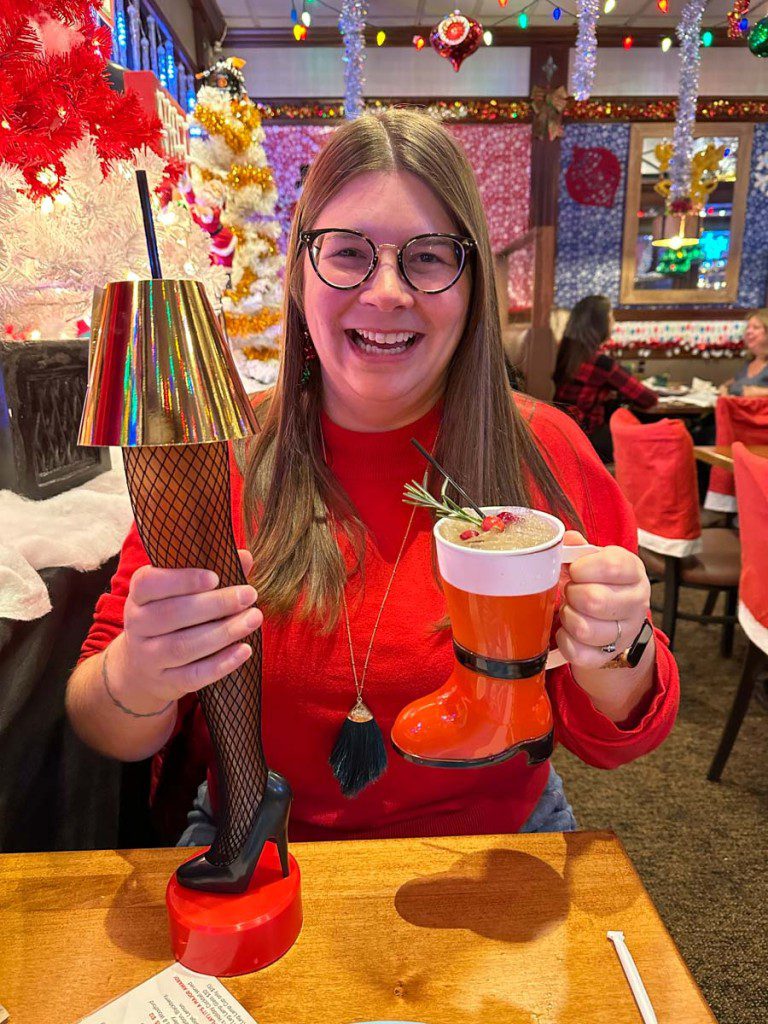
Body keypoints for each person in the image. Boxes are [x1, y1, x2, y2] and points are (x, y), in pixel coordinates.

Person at [66, 111, 679, 853]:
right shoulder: (219, 456)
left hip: (501, 847)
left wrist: (618, 643)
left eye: (428, 258)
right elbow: (102, 724)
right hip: (256, 843)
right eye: (348, 252)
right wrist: (141, 672)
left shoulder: (545, 450)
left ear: (474, 282)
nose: (387, 292)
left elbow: (622, 738)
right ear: (298, 274)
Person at [553, 295, 658, 463]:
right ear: (600, 324)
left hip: (560, 433)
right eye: (611, 317)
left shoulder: (560, 351)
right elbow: (648, 399)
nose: (613, 323)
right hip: (588, 440)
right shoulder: (600, 363)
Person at [720, 310, 768, 397]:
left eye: (755, 328)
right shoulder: (750, 362)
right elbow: (734, 383)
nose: (748, 331)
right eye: (747, 328)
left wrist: (760, 392)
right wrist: (725, 388)